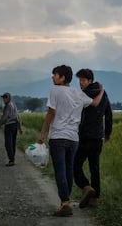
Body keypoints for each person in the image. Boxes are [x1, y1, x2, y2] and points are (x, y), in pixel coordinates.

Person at [38, 65, 104, 217]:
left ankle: (65, 202)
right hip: (73, 138)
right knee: (68, 169)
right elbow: (95, 103)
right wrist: (101, 91)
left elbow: (51, 112)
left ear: (62, 77)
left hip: (58, 137)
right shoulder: (77, 92)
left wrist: (42, 132)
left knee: (60, 169)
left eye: (55, 75)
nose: (52, 77)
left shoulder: (54, 90)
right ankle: (65, 201)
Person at [74, 69, 113, 208]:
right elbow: (108, 114)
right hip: (98, 137)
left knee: (75, 165)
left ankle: (86, 187)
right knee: (94, 167)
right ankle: (95, 199)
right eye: (79, 81)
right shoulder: (104, 94)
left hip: (84, 136)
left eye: (83, 81)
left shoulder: (83, 94)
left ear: (90, 81)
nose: (80, 83)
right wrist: (107, 133)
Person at [0, 92, 23, 166]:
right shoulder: (13, 105)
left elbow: (5, 117)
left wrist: (0, 124)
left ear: (8, 98)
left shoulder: (7, 106)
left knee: (8, 143)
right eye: (3, 98)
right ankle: (12, 158)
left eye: (5, 98)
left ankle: (11, 160)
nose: (4, 99)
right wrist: (19, 127)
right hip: (15, 125)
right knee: (13, 142)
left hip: (9, 126)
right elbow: (18, 116)